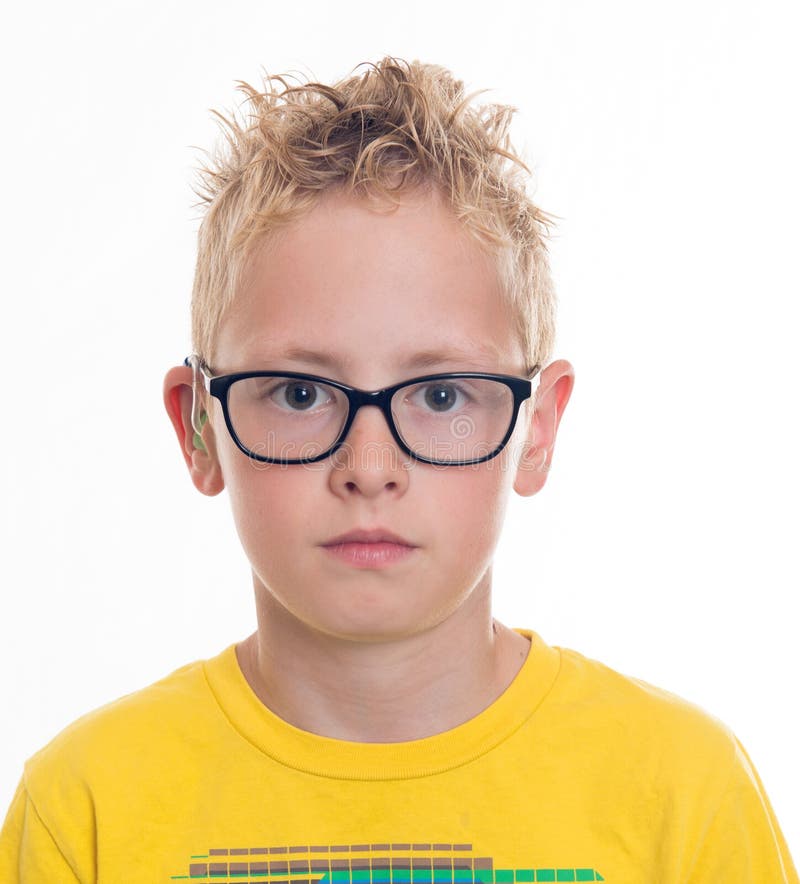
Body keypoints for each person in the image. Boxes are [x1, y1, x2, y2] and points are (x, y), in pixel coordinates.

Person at [0, 57, 796, 883]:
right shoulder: (85, 810)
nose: (370, 468)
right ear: (199, 426)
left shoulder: (685, 797)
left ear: (537, 430)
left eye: (442, 395)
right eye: (301, 393)